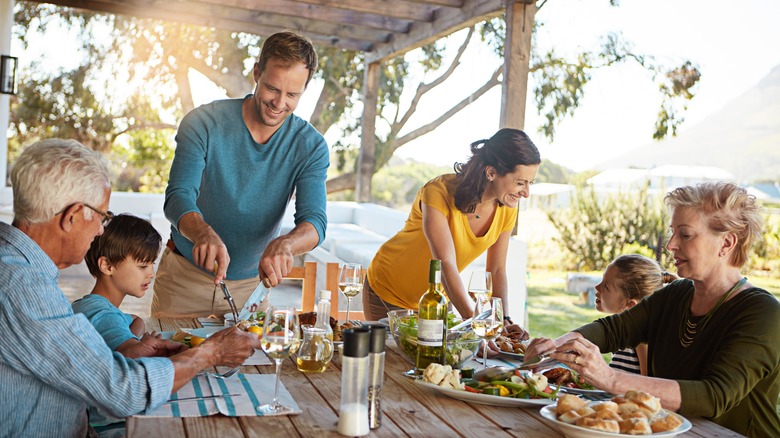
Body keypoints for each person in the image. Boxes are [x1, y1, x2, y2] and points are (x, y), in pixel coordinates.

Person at [0, 139, 261, 436]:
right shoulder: (21, 289)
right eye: (101, 217)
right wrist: (210, 353)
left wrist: (127, 357)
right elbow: (124, 392)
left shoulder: (17, 268)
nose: (100, 229)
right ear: (72, 217)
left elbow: (72, 366)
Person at [525, 181, 780, 437]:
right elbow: (611, 329)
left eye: (685, 234)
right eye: (673, 232)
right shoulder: (675, 295)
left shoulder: (762, 313)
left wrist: (611, 379)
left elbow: (713, 396)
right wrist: (555, 346)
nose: (671, 245)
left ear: (726, 243)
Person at [152, 30, 329, 318]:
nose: (279, 102)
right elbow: (178, 197)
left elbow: (315, 222)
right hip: (183, 280)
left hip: (252, 291)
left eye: (292, 94)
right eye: (273, 88)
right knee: (171, 361)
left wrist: (286, 244)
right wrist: (202, 233)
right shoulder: (203, 122)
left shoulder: (310, 147)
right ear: (256, 72)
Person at [363, 128, 541, 324]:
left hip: (438, 301)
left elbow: (497, 270)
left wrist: (503, 319)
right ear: (491, 172)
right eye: (520, 183)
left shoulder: (507, 207)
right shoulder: (438, 192)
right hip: (390, 291)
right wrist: (475, 324)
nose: (526, 193)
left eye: (530, 183)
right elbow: (445, 265)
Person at [73, 214, 164, 358]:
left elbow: (136, 320)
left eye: (151, 264)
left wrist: (129, 337)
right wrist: (138, 345)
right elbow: (135, 354)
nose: (151, 274)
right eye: (142, 266)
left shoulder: (91, 306)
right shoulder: (103, 314)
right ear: (107, 266)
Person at [594, 254, 677, 375]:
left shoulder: (641, 339)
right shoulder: (623, 331)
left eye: (606, 286)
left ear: (631, 305)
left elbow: (647, 384)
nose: (597, 287)